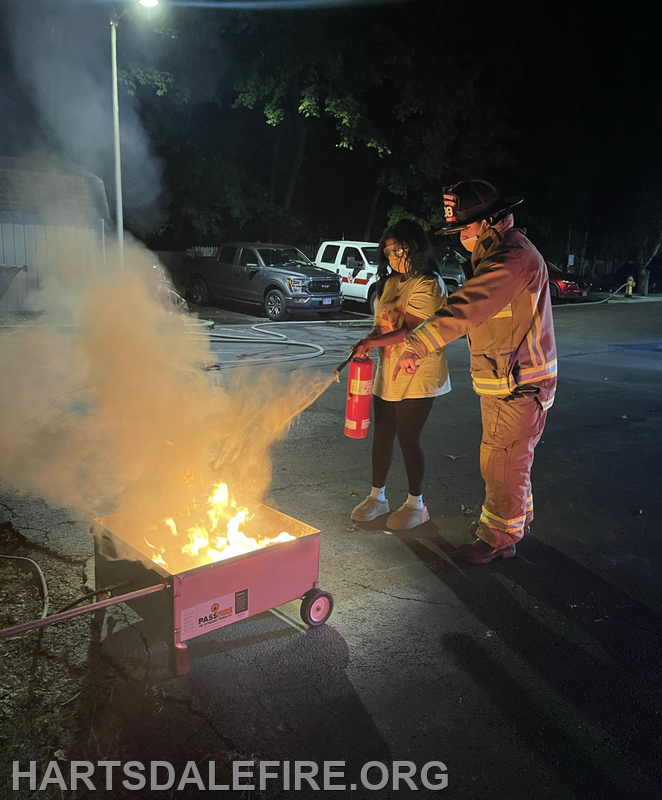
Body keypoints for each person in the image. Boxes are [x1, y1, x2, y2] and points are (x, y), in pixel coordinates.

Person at [395, 180, 557, 564]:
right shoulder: (506, 255)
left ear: (487, 222)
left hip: (517, 385)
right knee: (511, 461)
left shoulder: (511, 259)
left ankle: (498, 539)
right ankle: (513, 524)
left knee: (501, 463)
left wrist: (417, 343)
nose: (461, 237)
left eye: (464, 228)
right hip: (513, 383)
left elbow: (467, 307)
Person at [350, 219, 451, 530]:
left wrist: (371, 341)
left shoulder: (428, 284)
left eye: (401, 251)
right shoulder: (390, 282)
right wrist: (368, 341)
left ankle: (416, 504)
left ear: (416, 249)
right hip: (388, 372)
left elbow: (409, 330)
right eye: (390, 253)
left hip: (419, 373)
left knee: (408, 437)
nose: (394, 258)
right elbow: (384, 326)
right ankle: (377, 497)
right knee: (382, 435)